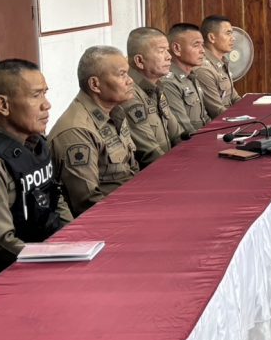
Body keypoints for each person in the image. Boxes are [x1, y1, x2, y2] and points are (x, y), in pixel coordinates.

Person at [0, 60, 72, 272]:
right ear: (3, 105)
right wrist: (62, 258)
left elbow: (55, 199)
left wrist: (75, 240)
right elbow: (1, 245)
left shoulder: (35, 143)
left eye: (45, 93)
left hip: (48, 254)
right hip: (18, 271)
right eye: (36, 96)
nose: (46, 105)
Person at [48, 47, 139, 217]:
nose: (130, 81)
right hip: (111, 219)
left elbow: (131, 169)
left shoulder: (114, 112)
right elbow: (88, 203)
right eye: (122, 75)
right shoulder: (77, 131)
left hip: (131, 203)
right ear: (95, 85)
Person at [120, 28, 183, 167]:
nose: (169, 56)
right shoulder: (129, 94)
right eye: (161, 51)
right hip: (154, 172)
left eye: (167, 50)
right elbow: (150, 153)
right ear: (139, 61)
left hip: (171, 164)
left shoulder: (156, 85)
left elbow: (178, 135)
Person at [160, 23, 210, 134]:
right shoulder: (169, 83)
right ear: (176, 49)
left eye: (202, 45)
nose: (203, 50)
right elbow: (185, 131)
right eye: (196, 45)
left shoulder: (191, 76)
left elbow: (204, 118)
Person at [196, 15, 242, 118]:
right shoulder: (203, 69)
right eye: (228, 33)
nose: (233, 38)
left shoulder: (222, 62)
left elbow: (235, 99)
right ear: (211, 37)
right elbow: (217, 111)